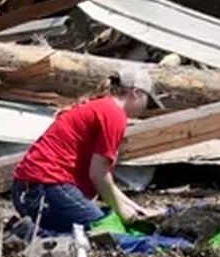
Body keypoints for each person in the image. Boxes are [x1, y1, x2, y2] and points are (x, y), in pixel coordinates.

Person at [12, 69, 156, 234]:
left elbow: (103, 176)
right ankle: (30, 233)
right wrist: (123, 212)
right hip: (45, 186)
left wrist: (134, 208)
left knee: (93, 226)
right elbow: (99, 175)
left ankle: (36, 229)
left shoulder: (102, 106)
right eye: (147, 101)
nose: (146, 107)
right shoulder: (114, 114)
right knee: (105, 231)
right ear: (135, 93)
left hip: (29, 189)